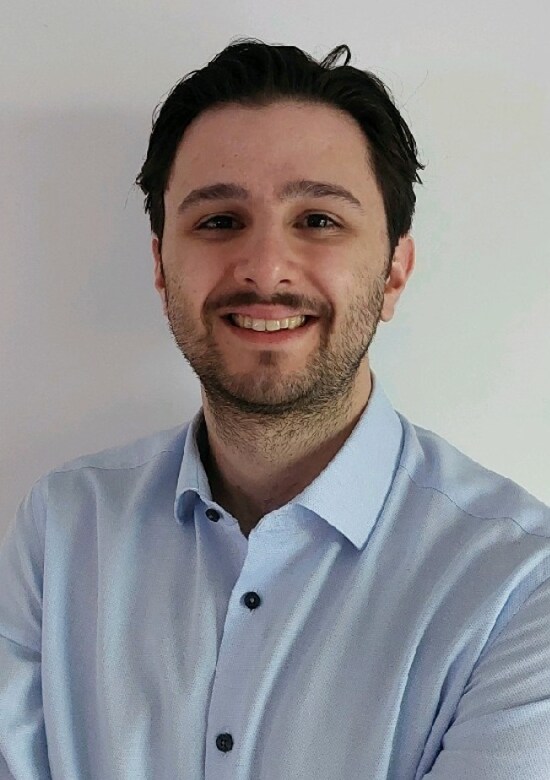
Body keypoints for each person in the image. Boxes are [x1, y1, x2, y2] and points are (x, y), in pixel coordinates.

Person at [1, 37, 549, 780]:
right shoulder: (64, 531)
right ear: (161, 267)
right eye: (218, 221)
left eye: (318, 220)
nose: (264, 269)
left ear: (394, 273)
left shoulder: (520, 585)